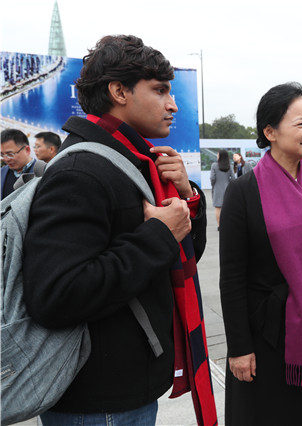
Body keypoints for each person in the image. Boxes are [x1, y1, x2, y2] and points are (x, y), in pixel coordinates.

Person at [22, 35, 216, 426]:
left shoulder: (134, 161)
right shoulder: (81, 171)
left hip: (124, 389)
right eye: (160, 90)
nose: (173, 104)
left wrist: (186, 198)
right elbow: (56, 296)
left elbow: (180, 256)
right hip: (98, 403)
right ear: (119, 92)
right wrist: (158, 234)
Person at [219, 82, 302, 425]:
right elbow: (232, 277)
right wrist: (239, 347)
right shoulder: (243, 191)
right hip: (269, 337)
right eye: (300, 124)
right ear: (270, 132)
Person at [1, 128, 36, 199]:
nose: (6, 159)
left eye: (10, 154)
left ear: (27, 150)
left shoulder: (42, 174)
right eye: (2, 154)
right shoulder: (2, 173)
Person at [210, 149, 235, 229]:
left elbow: (212, 178)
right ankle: (227, 225)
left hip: (217, 190)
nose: (217, 156)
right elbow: (233, 178)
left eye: (218, 154)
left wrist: (213, 185)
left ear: (220, 156)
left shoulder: (214, 165)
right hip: (228, 189)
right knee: (227, 208)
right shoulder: (229, 166)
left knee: (218, 208)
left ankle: (219, 225)